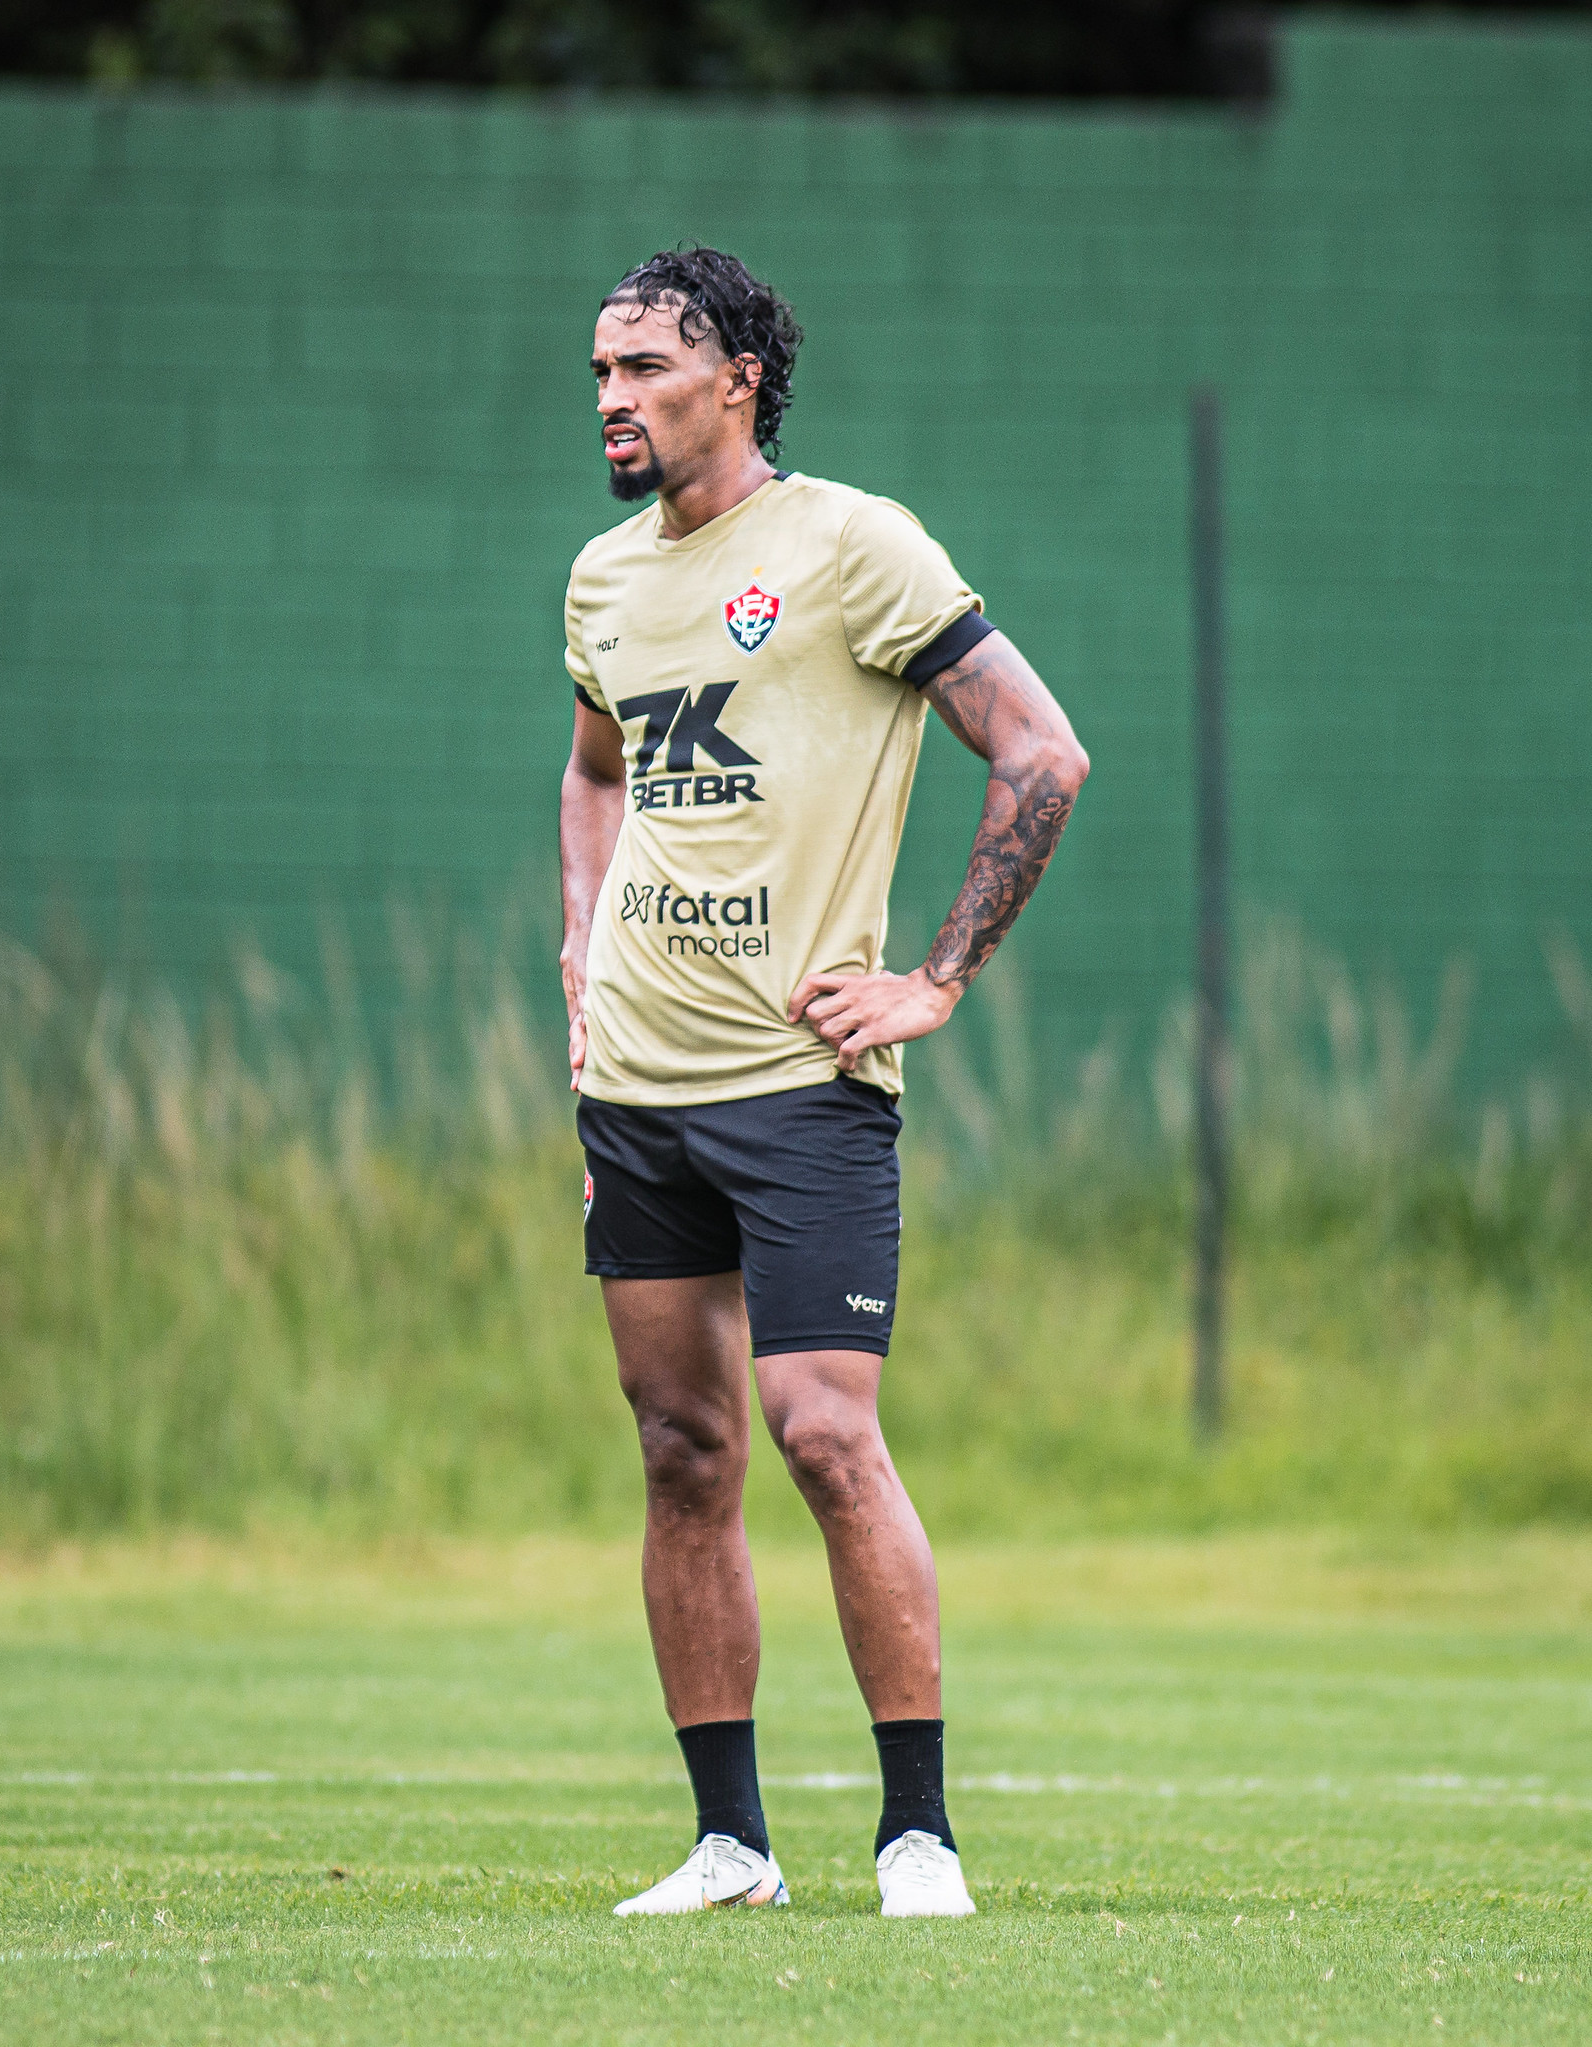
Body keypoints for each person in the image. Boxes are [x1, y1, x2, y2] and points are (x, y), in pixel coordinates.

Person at [559, 246, 1088, 1919]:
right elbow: (593, 774)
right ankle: (731, 1846)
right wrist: (579, 959)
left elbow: (1040, 751)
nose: (611, 400)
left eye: (644, 367)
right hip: (634, 1090)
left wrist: (934, 982)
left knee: (823, 1439)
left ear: (739, 378)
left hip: (803, 1088)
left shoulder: (853, 546)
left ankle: (917, 1835)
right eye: (598, 373)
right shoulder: (598, 578)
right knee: (677, 1448)